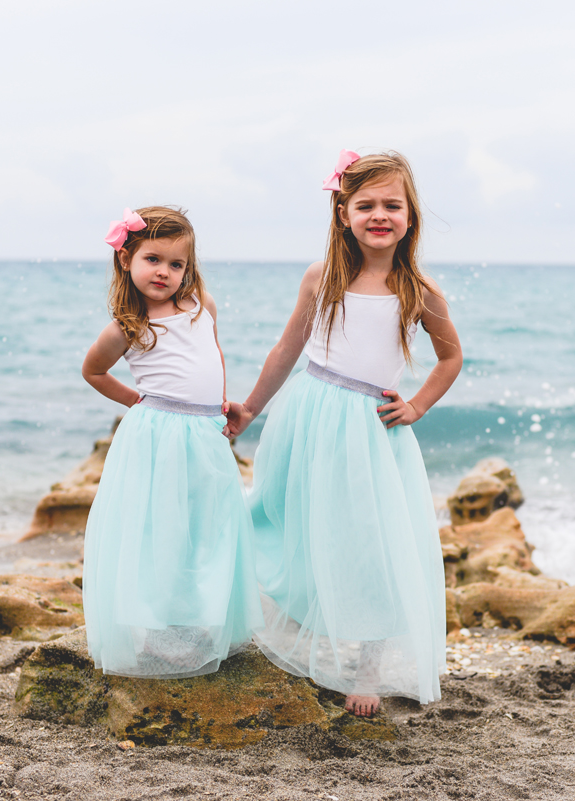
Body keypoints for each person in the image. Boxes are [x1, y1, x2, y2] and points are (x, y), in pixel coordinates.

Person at [224, 151, 462, 716]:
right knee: (291, 517)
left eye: (392, 205)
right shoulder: (322, 276)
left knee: (373, 543)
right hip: (309, 416)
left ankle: (368, 667)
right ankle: (281, 629)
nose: (379, 214)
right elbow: (287, 350)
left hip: (373, 429)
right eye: (366, 205)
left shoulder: (419, 288)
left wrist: (419, 406)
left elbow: (450, 360)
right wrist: (251, 410)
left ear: (410, 215)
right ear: (343, 213)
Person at [81, 205, 261, 678]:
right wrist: (138, 402)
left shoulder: (201, 305)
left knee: (208, 525)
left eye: (176, 264)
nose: (164, 271)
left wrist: (221, 404)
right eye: (153, 259)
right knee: (163, 530)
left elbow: (212, 356)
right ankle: (158, 629)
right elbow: (93, 371)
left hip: (205, 434)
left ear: (189, 269)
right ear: (127, 260)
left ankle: (202, 622)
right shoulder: (129, 325)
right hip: (158, 436)